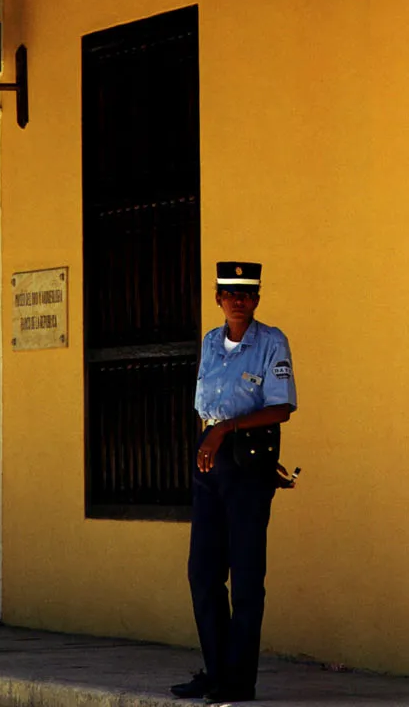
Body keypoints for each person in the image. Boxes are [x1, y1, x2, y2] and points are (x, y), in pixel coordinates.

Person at [171, 261, 297, 703]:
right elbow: (206, 403)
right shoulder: (210, 341)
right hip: (209, 459)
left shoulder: (271, 341)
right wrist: (211, 435)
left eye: (246, 294)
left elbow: (281, 408)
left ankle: (239, 680)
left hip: (247, 462)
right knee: (203, 573)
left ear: (257, 299)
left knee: (245, 575)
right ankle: (216, 668)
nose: (238, 300)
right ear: (218, 298)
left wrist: (225, 430)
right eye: (229, 293)